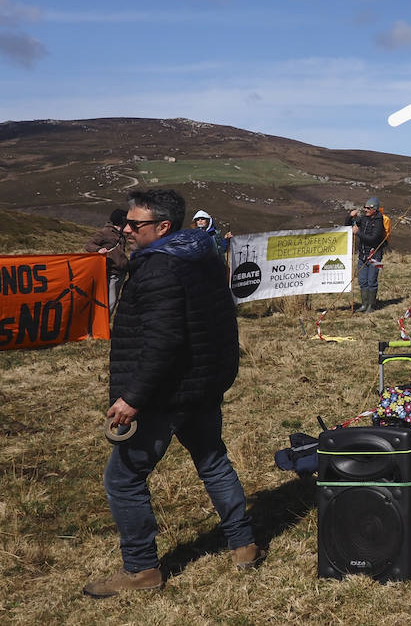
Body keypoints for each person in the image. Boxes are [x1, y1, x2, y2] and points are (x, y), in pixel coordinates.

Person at [83, 188, 262, 598]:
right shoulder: (201, 256)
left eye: (135, 224)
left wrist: (133, 398)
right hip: (201, 385)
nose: (125, 229)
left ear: (163, 227)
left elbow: (163, 341)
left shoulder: (159, 267)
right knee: (213, 461)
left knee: (123, 479)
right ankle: (243, 544)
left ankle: (141, 569)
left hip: (165, 393)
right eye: (126, 222)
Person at [84, 208, 130, 313]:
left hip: (119, 273)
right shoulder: (104, 232)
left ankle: (103, 325)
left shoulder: (121, 234)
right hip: (109, 272)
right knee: (109, 303)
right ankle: (102, 326)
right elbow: (88, 245)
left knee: (111, 303)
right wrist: (98, 249)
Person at [348, 196, 389, 312]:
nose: (365, 210)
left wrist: (358, 233)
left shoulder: (379, 222)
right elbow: (349, 225)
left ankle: (371, 306)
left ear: (374, 209)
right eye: (365, 207)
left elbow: (373, 239)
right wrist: (350, 217)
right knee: (362, 281)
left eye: (367, 208)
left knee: (372, 281)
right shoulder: (363, 219)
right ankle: (364, 305)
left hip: (375, 255)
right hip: (362, 255)